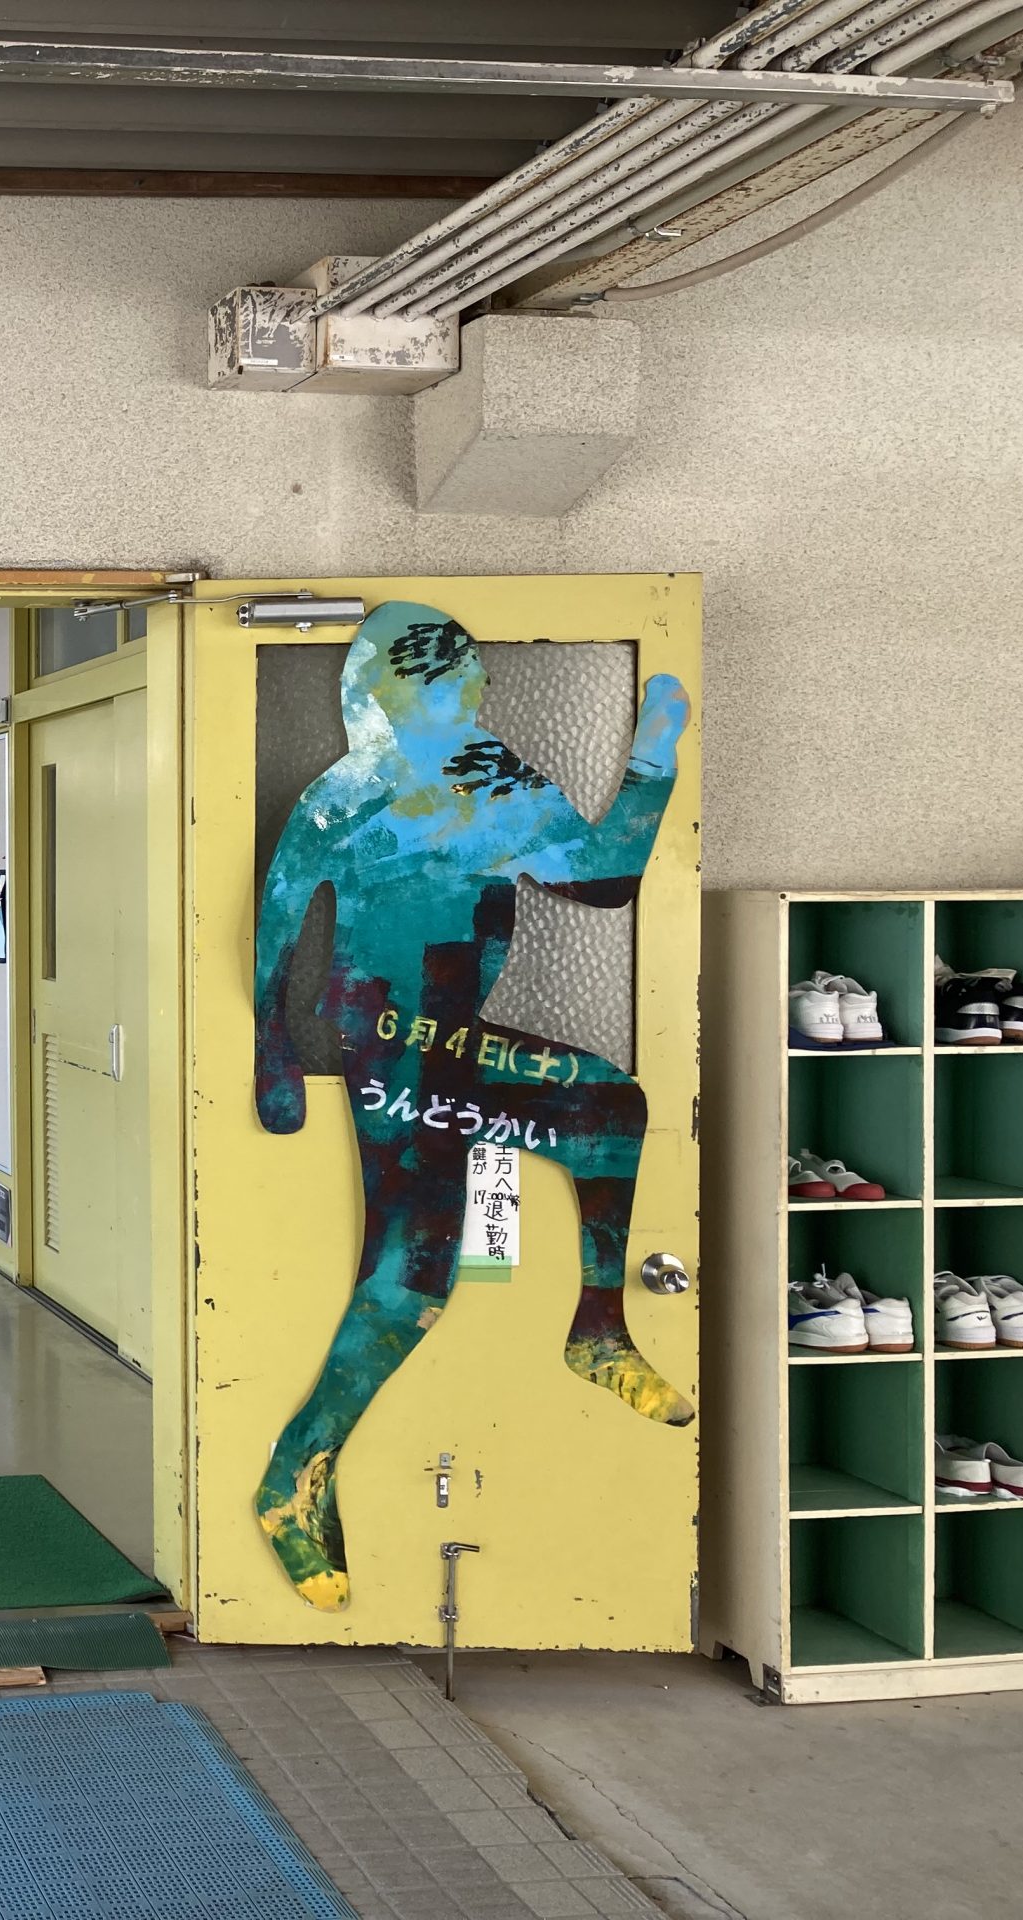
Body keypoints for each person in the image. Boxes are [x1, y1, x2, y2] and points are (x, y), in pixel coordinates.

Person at [250, 602, 690, 1613]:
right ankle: (290, 1481)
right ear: (392, 693)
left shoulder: (495, 780)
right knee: (410, 1282)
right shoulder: (343, 795)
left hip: (451, 1042)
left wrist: (654, 756)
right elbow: (276, 928)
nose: (474, 693)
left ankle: (597, 1332)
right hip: (392, 1046)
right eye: (451, 681)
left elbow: (603, 881)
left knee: (607, 1112)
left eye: (472, 678)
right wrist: (276, 1060)